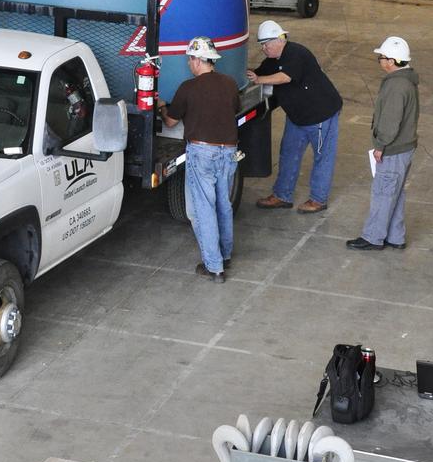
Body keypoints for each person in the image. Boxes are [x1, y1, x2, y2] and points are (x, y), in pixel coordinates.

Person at [159, 37, 239, 283]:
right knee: (223, 204)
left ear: (196, 60)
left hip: (202, 153)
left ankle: (214, 267)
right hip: (229, 151)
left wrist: (162, 107)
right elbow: (232, 109)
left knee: (201, 210)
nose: (189, 64)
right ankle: (224, 255)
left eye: (189, 60)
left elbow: (171, 122)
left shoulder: (188, 87)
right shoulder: (230, 83)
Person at [248, 19, 342, 214]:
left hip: (320, 115)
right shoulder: (272, 61)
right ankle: (282, 195)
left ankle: (318, 199)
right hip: (297, 116)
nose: (264, 48)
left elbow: (286, 77)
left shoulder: (297, 53)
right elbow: (258, 73)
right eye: (262, 45)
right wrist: (248, 75)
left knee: (322, 158)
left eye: (266, 44)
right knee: (288, 154)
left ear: (279, 40)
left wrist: (260, 79)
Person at [347, 36, 418, 251]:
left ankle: (373, 237)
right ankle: (396, 237)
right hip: (405, 148)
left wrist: (380, 146)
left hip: (394, 149)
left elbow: (390, 121)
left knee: (383, 193)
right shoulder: (407, 81)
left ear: (392, 61)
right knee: (395, 193)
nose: (380, 61)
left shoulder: (396, 86)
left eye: (382, 57)